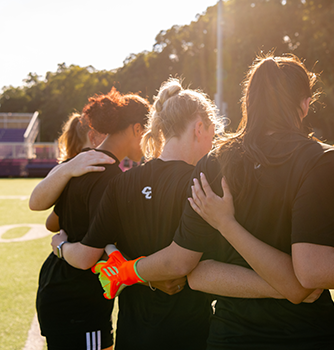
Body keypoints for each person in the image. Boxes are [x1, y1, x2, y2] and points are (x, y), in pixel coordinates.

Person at [92, 54, 334, 349]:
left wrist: (128, 269)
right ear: (303, 104)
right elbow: (307, 275)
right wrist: (288, 285)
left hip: (232, 335)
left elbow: (194, 271)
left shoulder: (217, 161)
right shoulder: (322, 160)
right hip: (306, 334)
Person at [49, 79, 219, 349]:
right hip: (189, 334)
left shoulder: (123, 182)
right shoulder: (202, 183)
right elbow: (184, 264)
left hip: (132, 333)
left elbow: (93, 253)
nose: (213, 143)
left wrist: (60, 245)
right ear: (199, 128)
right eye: (213, 133)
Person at [35, 87, 150, 350]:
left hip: (58, 288)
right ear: (136, 129)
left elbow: (55, 221)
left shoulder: (79, 166)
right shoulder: (110, 178)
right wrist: (63, 247)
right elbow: (88, 256)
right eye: (148, 132)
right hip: (79, 300)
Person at [30, 112, 112, 232]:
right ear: (93, 137)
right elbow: (35, 204)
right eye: (106, 134)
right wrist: (67, 169)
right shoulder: (67, 168)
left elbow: (51, 223)